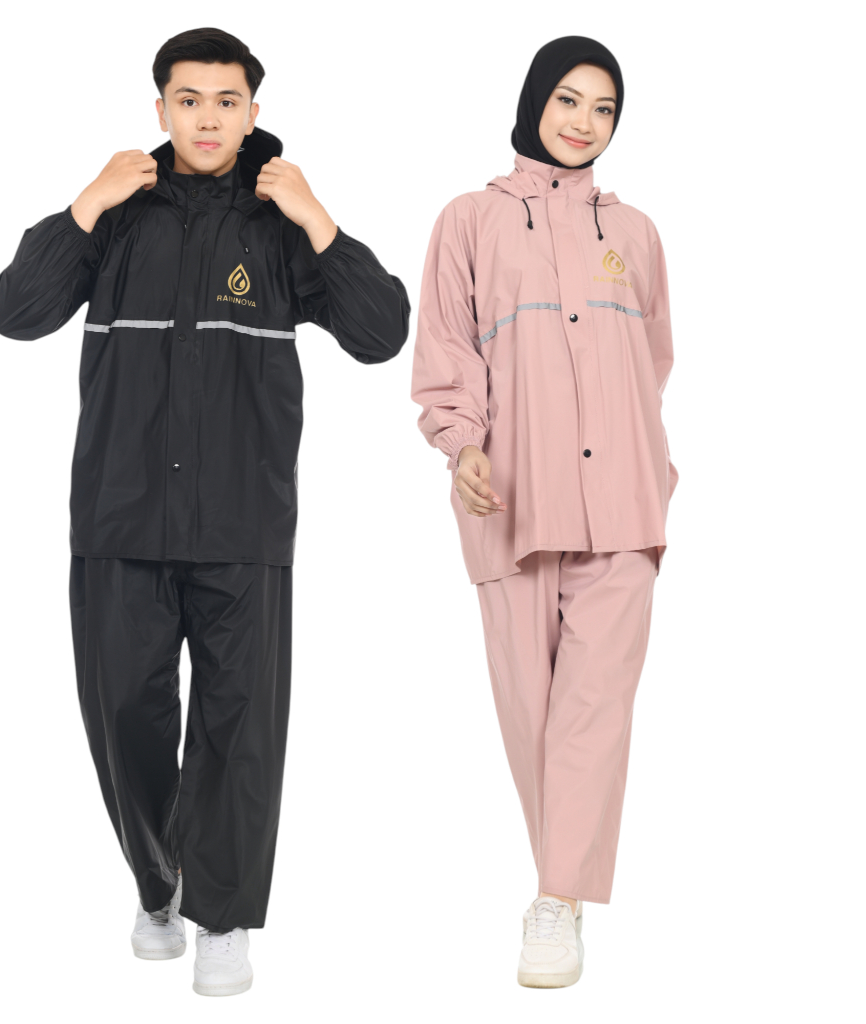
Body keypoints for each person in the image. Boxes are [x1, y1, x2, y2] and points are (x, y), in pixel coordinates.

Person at [0, 27, 408, 996]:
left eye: (227, 101)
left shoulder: (277, 225)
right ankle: (159, 881)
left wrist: (318, 219)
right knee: (123, 718)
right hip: (119, 518)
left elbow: (383, 333)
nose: (208, 118)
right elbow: (14, 312)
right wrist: (85, 203)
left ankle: (222, 916)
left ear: (253, 113)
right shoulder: (117, 218)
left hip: (242, 525)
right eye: (189, 100)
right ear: (161, 110)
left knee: (237, 731)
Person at [411, 36, 676, 988]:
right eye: (568, 99)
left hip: (623, 503)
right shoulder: (470, 219)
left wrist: (652, 463)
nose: (583, 121)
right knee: (534, 711)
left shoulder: (635, 232)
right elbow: (448, 351)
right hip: (511, 500)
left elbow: (653, 364)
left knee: (594, 711)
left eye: (603, 108)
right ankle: (560, 887)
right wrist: (464, 444)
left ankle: (554, 903)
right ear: (533, 102)